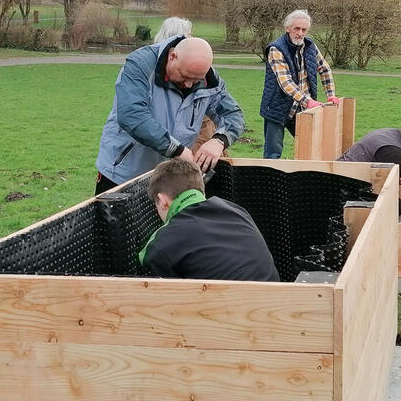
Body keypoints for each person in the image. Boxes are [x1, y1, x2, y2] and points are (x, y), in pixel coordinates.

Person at [94, 36, 244, 195]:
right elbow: (132, 115)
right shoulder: (141, 65)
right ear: (172, 56)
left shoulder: (210, 79)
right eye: (185, 76)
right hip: (124, 174)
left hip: (171, 181)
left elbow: (233, 115)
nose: (189, 84)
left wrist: (219, 140)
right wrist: (177, 150)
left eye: (196, 80)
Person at [138, 158, 280, 281]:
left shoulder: (162, 242)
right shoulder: (236, 210)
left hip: (225, 303)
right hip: (277, 299)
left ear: (162, 200)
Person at [260, 9, 340, 159]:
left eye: (304, 30)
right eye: (296, 28)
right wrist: (308, 101)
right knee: (273, 154)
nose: (300, 33)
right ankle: (267, 175)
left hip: (301, 109)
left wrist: (331, 95)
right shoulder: (275, 49)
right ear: (287, 28)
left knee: (311, 148)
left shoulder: (311, 46)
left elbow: (324, 69)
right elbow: (285, 82)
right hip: (276, 107)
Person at [337, 117, 401, 215]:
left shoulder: (390, 134)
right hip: (345, 194)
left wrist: (394, 180)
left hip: (339, 180)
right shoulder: (395, 154)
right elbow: (384, 198)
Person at [152, 16, 225, 155]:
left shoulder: (205, 75)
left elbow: (229, 112)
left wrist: (219, 140)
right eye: (189, 35)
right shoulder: (148, 71)